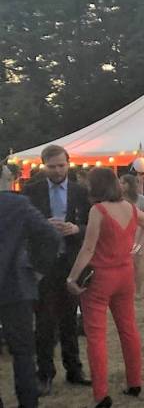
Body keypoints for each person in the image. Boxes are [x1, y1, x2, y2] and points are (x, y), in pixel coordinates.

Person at [64, 167, 144, 408]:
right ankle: (134, 382)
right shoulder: (130, 207)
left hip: (101, 279)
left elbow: (88, 249)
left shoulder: (98, 210)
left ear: (95, 187)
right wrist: (137, 248)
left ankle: (101, 394)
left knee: (96, 336)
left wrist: (72, 278)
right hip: (125, 275)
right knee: (128, 329)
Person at [22, 145, 92, 395]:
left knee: (70, 320)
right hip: (44, 266)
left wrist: (76, 229)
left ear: (68, 163)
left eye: (62, 165)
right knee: (44, 322)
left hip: (72, 263)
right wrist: (43, 226)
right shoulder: (30, 191)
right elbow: (23, 228)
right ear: (44, 166)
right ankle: (45, 374)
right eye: (52, 166)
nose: (58, 170)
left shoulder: (81, 191)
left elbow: (92, 226)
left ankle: (74, 369)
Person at [1, 162, 61, 408]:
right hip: (17, 284)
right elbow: (50, 235)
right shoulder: (19, 205)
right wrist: (38, 269)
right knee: (23, 350)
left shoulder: (19, 204)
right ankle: (28, 403)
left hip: (17, 283)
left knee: (24, 350)